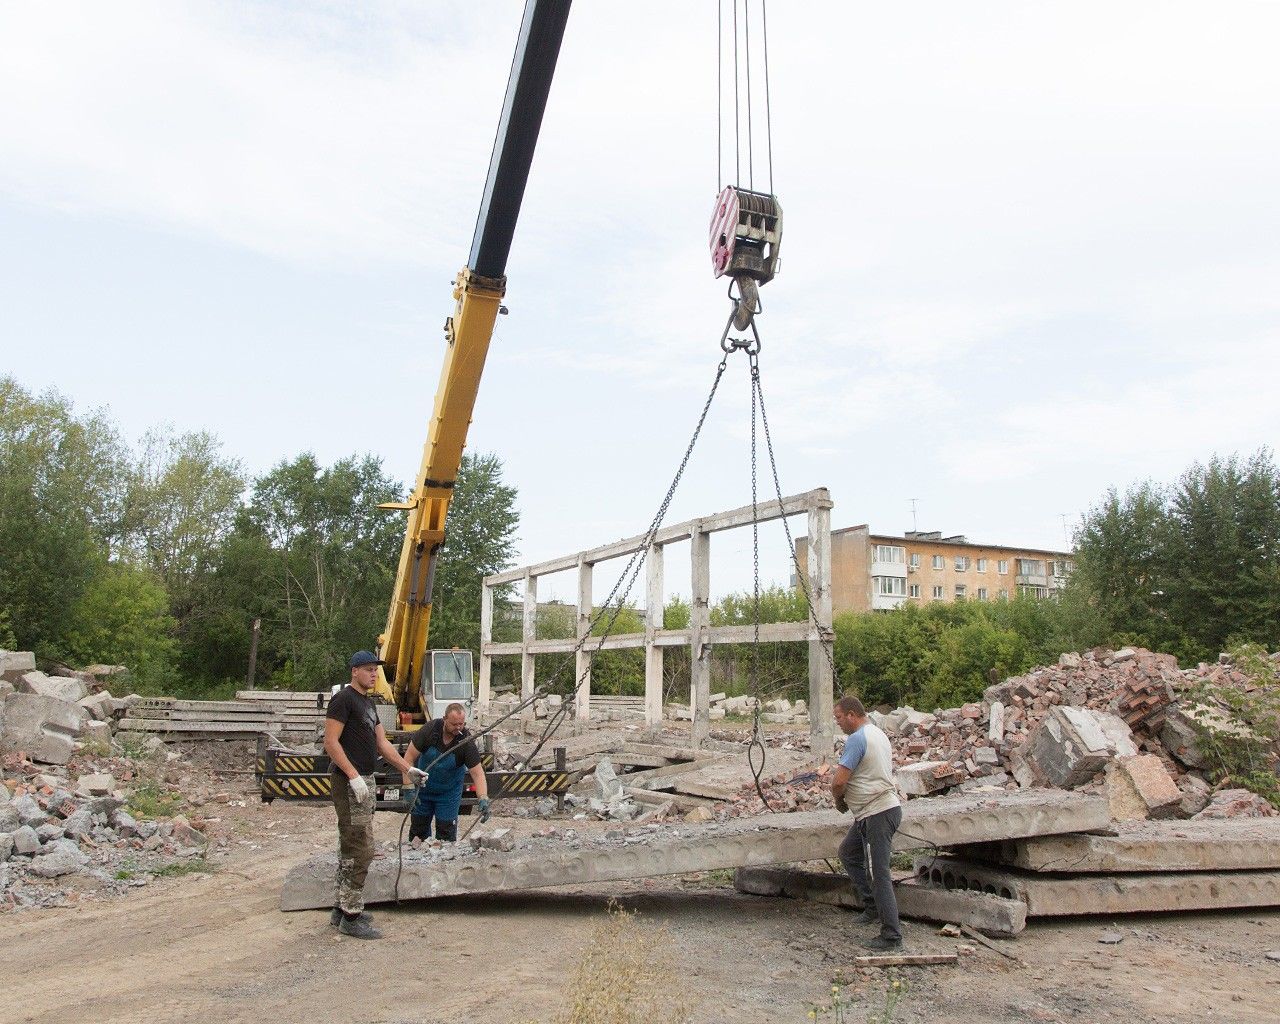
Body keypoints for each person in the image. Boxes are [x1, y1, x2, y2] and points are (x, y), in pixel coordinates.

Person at [324, 650, 426, 940]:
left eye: (375, 670)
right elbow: (331, 742)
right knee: (360, 848)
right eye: (368, 669)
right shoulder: (343, 700)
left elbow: (383, 743)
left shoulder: (368, 704)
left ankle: (341, 908)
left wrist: (409, 769)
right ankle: (352, 917)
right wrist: (353, 776)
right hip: (348, 781)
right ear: (354, 671)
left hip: (364, 780)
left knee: (353, 844)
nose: (373, 674)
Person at [830, 694, 903, 951]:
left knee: (879, 873)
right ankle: (872, 906)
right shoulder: (876, 733)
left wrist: (838, 798)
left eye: (838, 717)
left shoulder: (857, 739)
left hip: (878, 813)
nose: (837, 722)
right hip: (872, 811)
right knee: (848, 853)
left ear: (851, 715)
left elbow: (839, 781)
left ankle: (891, 935)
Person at [404, 701, 490, 842]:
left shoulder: (465, 743)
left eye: (461, 724)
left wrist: (483, 798)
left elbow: (477, 773)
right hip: (423, 790)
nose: (458, 728)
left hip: (448, 795)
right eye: (454, 724)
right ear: (444, 719)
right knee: (418, 833)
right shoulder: (429, 730)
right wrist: (408, 788)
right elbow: (408, 758)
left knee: (446, 835)